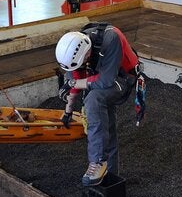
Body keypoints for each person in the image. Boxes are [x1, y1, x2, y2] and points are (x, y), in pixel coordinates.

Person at [55, 22, 140, 186]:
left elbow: (106, 80)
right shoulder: (77, 46)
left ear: (86, 54)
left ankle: (98, 161)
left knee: (94, 100)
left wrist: (75, 84)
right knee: (105, 123)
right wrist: (68, 111)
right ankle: (111, 180)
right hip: (101, 75)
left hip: (122, 78)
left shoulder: (111, 38)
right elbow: (76, 77)